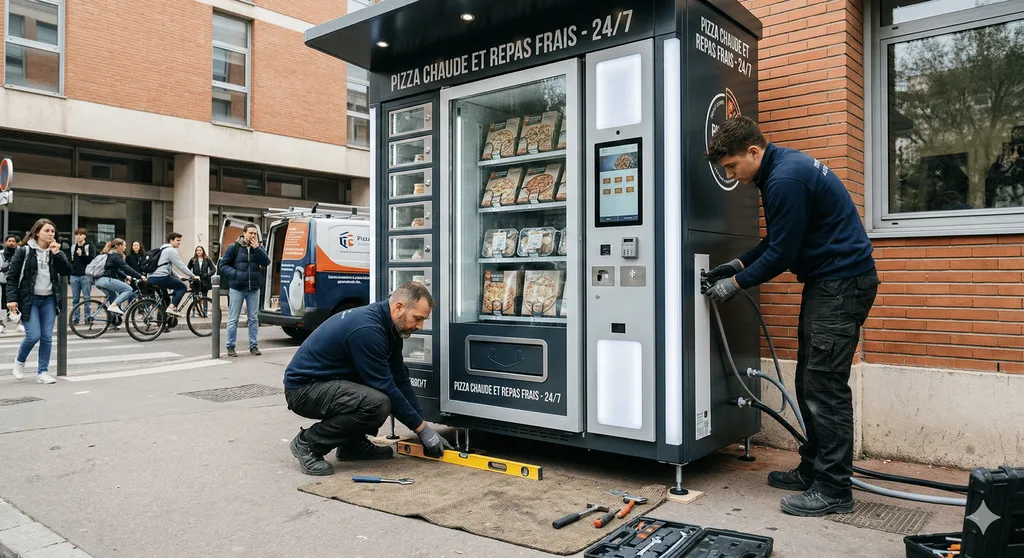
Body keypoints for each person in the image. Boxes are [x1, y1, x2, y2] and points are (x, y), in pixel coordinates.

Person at [703, 116, 878, 518]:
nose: (732, 176)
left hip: (841, 284)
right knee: (809, 380)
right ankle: (814, 470)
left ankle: (834, 489)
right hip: (829, 284)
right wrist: (735, 264)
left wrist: (735, 284)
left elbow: (782, 254)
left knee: (825, 388)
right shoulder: (782, 170)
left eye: (732, 167)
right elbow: (776, 240)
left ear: (753, 151)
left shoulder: (784, 179)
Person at [283, 281, 450, 476]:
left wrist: (424, 426)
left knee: (385, 388)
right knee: (377, 402)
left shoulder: (391, 328)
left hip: (329, 383)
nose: (420, 326)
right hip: (304, 389)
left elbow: (400, 380)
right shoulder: (368, 329)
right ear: (398, 308)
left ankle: (351, 445)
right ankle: (308, 443)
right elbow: (385, 387)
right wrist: (421, 430)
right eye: (417, 318)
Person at [6, 219, 73, 384]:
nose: (51, 234)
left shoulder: (55, 250)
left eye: (52, 231)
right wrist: (12, 299)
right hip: (30, 299)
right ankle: (20, 361)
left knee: (47, 337)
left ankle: (42, 372)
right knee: (33, 335)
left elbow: (66, 271)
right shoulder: (24, 251)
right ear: (37, 232)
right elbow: (12, 276)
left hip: (49, 299)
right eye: (47, 231)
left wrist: (57, 254)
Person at [218, 224, 269, 357]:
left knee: (253, 318)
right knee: (233, 319)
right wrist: (236, 274)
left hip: (253, 288)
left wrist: (257, 248)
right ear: (244, 233)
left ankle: (253, 346)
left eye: (255, 233)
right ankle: (230, 346)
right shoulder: (233, 247)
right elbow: (223, 265)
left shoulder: (258, 248)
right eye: (251, 233)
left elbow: (266, 262)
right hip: (237, 287)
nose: (253, 236)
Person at [147, 232, 197, 317]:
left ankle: (161, 322)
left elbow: (167, 267)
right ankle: (172, 307)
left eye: (180, 240)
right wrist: (193, 275)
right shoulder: (171, 250)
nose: (179, 242)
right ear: (171, 240)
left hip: (151, 278)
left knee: (165, 299)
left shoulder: (162, 249)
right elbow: (180, 265)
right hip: (161, 277)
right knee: (182, 287)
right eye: (177, 240)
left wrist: (178, 276)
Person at [95, 238, 144, 314]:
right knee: (128, 289)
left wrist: (126, 276)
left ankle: (114, 319)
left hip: (98, 280)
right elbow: (126, 267)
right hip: (107, 280)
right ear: (119, 246)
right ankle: (113, 306)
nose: (125, 247)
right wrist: (140, 276)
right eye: (124, 245)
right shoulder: (116, 255)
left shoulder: (109, 254)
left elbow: (116, 270)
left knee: (114, 296)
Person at [69, 228, 97, 325]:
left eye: (80, 234)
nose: (78, 236)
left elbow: (92, 260)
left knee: (87, 298)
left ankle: (87, 318)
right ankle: (75, 318)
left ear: (85, 236)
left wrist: (82, 255)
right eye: (76, 234)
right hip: (74, 275)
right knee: (75, 299)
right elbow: (71, 260)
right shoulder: (73, 247)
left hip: (86, 275)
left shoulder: (89, 246)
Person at [188, 246, 214, 313]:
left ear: (203, 251)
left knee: (204, 296)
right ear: (196, 252)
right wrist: (192, 277)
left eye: (200, 250)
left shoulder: (207, 259)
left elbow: (213, 269)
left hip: (205, 280)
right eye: (197, 250)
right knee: (195, 296)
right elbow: (187, 269)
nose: (199, 251)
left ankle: (205, 311)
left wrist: (207, 275)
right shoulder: (193, 260)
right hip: (195, 280)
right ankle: (193, 311)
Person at [0, 235, 17, 334]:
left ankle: (17, 323)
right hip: (1, 281)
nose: (11, 243)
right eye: (9, 241)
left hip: (13, 282)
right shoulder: (1, 254)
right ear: (6, 243)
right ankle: (1, 323)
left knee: (13, 302)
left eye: (13, 241)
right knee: (1, 303)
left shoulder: (18, 254)